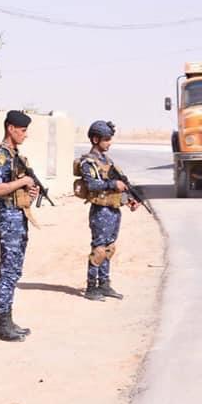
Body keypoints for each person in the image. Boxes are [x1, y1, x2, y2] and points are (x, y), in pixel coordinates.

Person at [0, 110, 39, 341]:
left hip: (18, 217)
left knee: (14, 270)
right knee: (8, 272)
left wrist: (29, 192)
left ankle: (8, 320)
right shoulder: (0, 156)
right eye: (23, 130)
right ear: (11, 128)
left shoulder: (14, 155)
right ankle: (2, 325)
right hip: (9, 219)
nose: (25, 135)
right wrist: (23, 181)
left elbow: (14, 188)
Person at [78, 120, 139, 301]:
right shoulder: (88, 162)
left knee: (109, 248)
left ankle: (104, 284)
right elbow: (91, 184)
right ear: (95, 139)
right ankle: (91, 287)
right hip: (101, 211)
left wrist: (129, 200)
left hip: (113, 209)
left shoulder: (107, 161)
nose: (109, 143)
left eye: (110, 139)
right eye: (106, 139)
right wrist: (113, 184)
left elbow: (120, 186)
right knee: (99, 249)